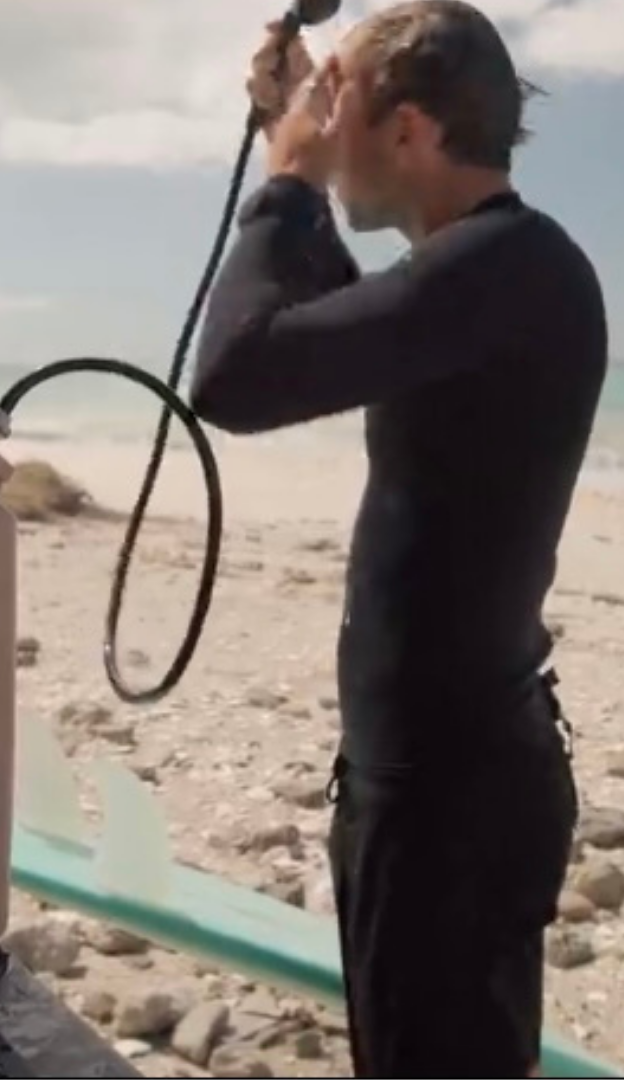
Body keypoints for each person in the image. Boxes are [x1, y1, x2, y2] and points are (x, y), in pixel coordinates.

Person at [189, 1, 609, 1076]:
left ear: (413, 131)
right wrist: (302, 151)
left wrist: (286, 175)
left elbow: (237, 377)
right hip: (442, 784)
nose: (327, 126)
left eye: (342, 104)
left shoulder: (509, 272)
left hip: (452, 805)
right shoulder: (492, 273)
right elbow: (334, 328)